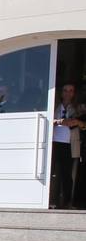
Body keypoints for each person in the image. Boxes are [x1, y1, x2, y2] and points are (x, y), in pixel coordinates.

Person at [51, 81, 83, 209]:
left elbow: (84, 125)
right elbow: (47, 119)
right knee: (53, 173)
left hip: (70, 145)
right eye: (65, 90)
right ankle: (51, 201)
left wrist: (77, 122)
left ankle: (68, 203)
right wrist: (59, 121)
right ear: (61, 92)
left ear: (74, 93)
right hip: (54, 143)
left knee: (67, 175)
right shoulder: (54, 106)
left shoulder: (78, 108)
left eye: (71, 91)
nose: (68, 93)